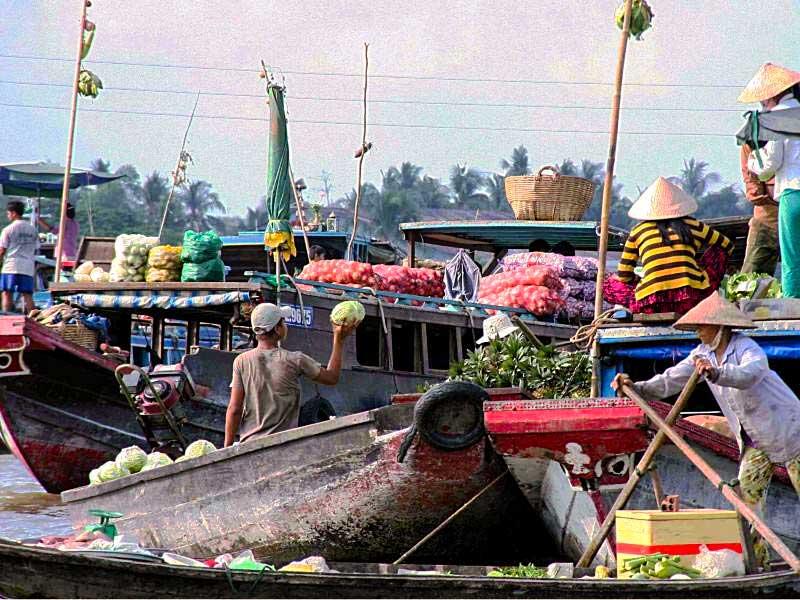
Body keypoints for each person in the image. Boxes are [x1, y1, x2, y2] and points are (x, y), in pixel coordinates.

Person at [612, 293, 800, 568]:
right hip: (755, 442)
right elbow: (670, 381)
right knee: (748, 503)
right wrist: (637, 388)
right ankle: (759, 564)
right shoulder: (701, 355)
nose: (698, 332)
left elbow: (752, 373)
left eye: (702, 326)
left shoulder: (746, 348)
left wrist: (716, 373)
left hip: (790, 430)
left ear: (720, 327)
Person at [224, 303, 355, 446]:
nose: (286, 326)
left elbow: (234, 409)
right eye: (283, 322)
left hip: (249, 444)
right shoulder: (295, 360)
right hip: (284, 445)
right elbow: (332, 377)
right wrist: (339, 340)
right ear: (277, 329)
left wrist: (227, 448)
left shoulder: (241, 361)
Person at [603, 177, 733, 315]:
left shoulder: (637, 231)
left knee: (607, 285)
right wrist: (698, 268)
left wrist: (639, 281)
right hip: (692, 299)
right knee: (720, 252)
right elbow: (726, 245)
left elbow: (624, 275)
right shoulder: (694, 225)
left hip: (651, 304)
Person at [743, 63, 800, 296]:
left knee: (792, 260)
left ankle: (794, 308)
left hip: (793, 193)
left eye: (763, 100)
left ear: (772, 96)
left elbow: (769, 166)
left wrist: (752, 162)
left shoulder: (779, 116)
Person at [740, 142, 778, 275]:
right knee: (751, 279)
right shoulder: (753, 138)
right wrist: (757, 193)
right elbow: (751, 179)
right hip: (766, 219)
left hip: (789, 215)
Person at [0, 200, 37, 314]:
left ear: (14, 213)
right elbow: (36, 247)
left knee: (7, 292)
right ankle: (35, 319)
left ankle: (5, 319)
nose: (8, 215)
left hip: (11, 265)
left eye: (8, 213)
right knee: (27, 294)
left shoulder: (8, 229)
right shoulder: (33, 230)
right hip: (27, 266)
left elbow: (2, 250)